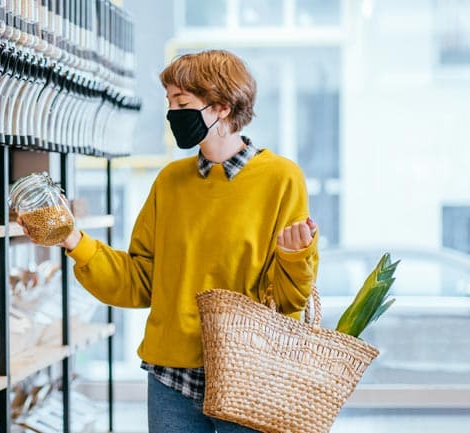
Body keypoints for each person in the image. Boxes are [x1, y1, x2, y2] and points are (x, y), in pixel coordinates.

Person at [21, 50, 319, 433]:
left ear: (223, 107)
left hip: (249, 371)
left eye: (182, 103)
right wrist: (73, 239)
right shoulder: (170, 181)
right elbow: (139, 281)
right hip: (171, 377)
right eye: (170, 103)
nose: (173, 114)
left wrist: (296, 257)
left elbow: (290, 300)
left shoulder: (281, 178)